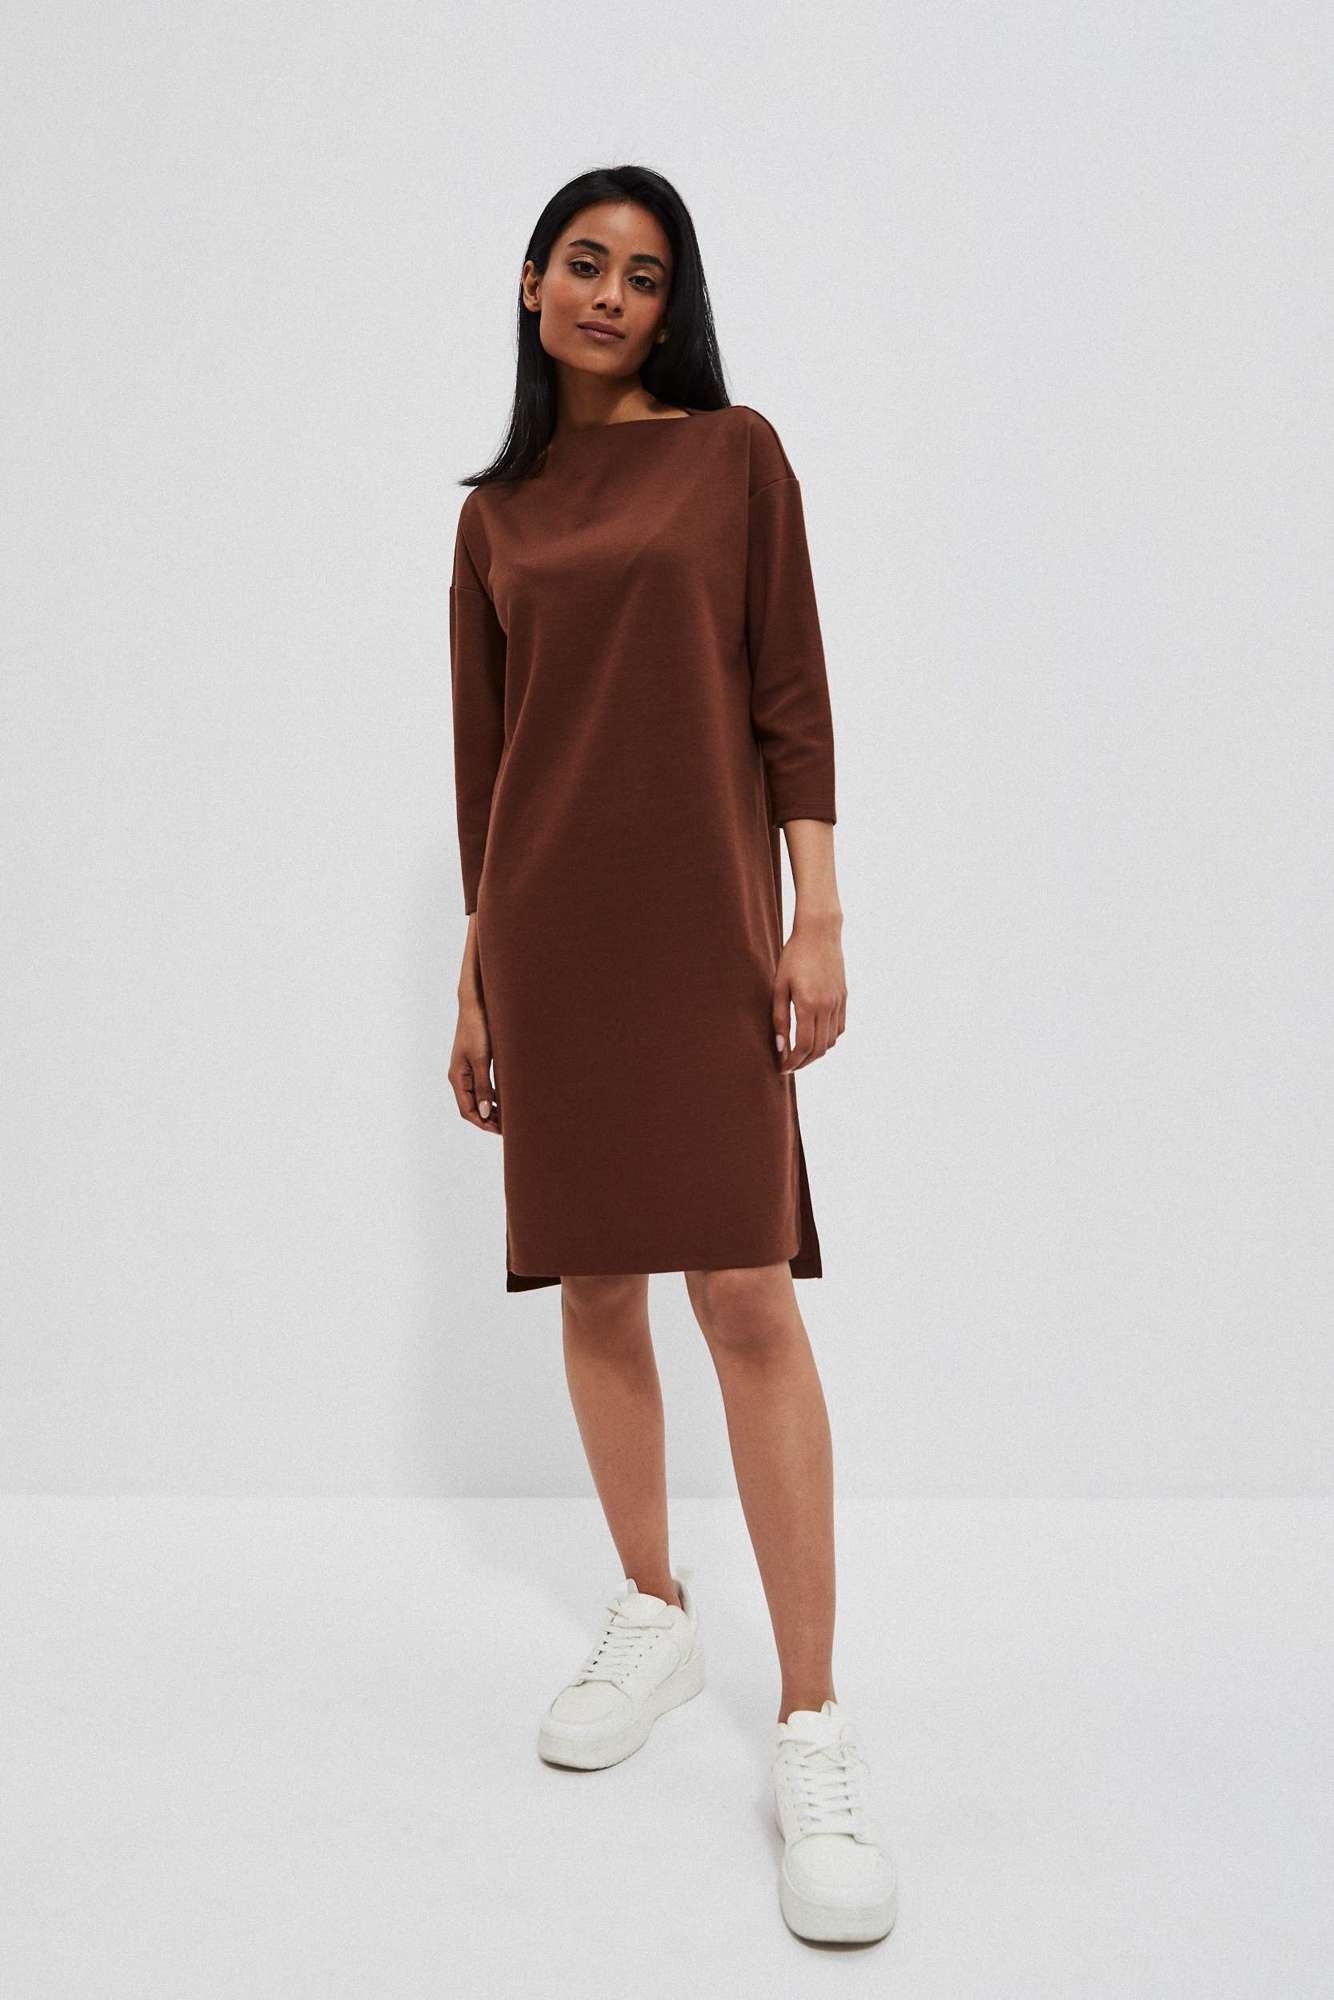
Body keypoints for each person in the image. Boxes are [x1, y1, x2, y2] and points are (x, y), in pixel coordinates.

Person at [447, 165, 897, 1946]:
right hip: (548, 939)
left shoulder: (733, 458)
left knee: (745, 1294)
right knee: (591, 1282)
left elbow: (790, 695)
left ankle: (812, 1720)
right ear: (532, 282)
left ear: (670, 304)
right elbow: (486, 768)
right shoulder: (495, 516)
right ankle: (652, 1609)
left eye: (645, 275)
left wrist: (818, 910)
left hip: (705, 931)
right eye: (585, 264)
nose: (612, 296)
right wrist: (476, 975)